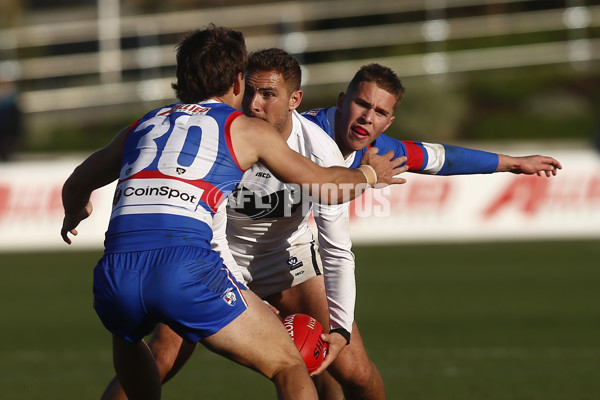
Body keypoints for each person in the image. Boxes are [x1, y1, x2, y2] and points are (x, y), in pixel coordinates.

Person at [100, 55, 562, 400]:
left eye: (379, 113)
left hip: (289, 259)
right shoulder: (232, 132)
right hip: (214, 260)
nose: (367, 118)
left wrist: (511, 163)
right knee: (158, 360)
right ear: (343, 101)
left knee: (351, 369)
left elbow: (432, 158)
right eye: (361, 104)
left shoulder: (332, 147)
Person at [60, 26, 405, 400]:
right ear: (238, 82)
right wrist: (370, 173)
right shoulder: (240, 128)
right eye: (252, 90)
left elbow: (77, 183)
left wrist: (75, 211)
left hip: (118, 275)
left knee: (132, 354)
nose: (257, 103)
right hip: (195, 264)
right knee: (288, 363)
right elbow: (326, 184)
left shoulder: (145, 124)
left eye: (270, 94)